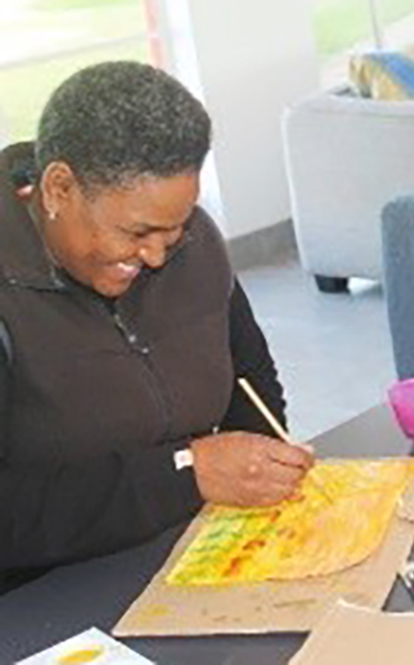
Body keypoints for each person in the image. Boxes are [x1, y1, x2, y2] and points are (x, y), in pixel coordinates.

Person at [0, 62, 314, 593]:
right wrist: (186, 473)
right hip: (37, 599)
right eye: (137, 232)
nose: (156, 256)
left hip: (187, 555)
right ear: (58, 189)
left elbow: (250, 386)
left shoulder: (189, 241)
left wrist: (259, 466)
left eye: (174, 229)